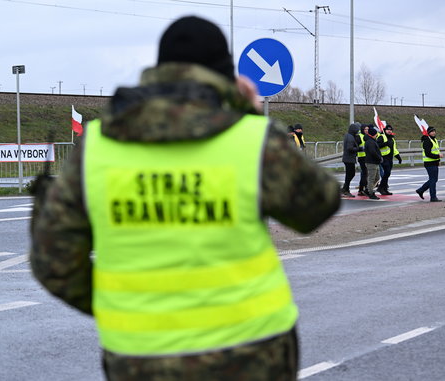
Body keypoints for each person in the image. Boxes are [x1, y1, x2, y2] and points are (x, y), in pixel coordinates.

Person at [29, 16, 341, 381]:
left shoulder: (95, 148)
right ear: (224, 76)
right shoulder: (250, 139)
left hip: (139, 360)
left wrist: (122, 309)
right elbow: (317, 205)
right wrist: (251, 116)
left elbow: (53, 261)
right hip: (252, 354)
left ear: (159, 72)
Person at [415, 126, 444, 202]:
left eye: (434, 131)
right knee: (433, 179)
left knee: (434, 179)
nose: (433, 132)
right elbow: (428, 154)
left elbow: (436, 151)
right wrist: (438, 156)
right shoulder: (427, 141)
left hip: (434, 162)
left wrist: (438, 160)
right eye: (432, 131)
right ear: (428, 133)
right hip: (429, 163)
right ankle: (433, 197)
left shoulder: (434, 140)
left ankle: (421, 190)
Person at [376, 125, 402, 195]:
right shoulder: (382, 137)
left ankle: (384, 189)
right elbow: (377, 145)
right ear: (385, 130)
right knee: (387, 173)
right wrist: (385, 144)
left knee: (387, 174)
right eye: (388, 130)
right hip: (383, 158)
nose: (389, 131)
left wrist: (398, 157)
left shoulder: (392, 138)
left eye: (391, 130)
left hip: (390, 158)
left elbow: (394, 149)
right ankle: (381, 188)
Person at [341, 122, 361, 197]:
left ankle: (345, 188)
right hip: (349, 158)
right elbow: (350, 148)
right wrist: (358, 149)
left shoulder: (348, 135)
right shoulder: (350, 137)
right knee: (351, 174)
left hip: (348, 158)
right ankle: (346, 189)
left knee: (349, 174)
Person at [364, 126, 382, 200]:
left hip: (374, 162)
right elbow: (373, 152)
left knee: (377, 177)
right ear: (373, 134)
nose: (377, 135)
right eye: (376, 134)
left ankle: (368, 190)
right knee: (372, 178)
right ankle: (370, 193)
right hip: (371, 162)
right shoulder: (370, 142)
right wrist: (379, 158)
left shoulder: (371, 140)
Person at [356, 124, 369, 196]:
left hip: (368, 157)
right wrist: (361, 149)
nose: (367, 130)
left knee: (366, 174)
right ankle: (361, 189)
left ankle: (363, 189)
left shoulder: (368, 136)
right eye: (365, 129)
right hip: (362, 157)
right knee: (365, 173)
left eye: (367, 129)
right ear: (362, 129)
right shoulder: (359, 136)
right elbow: (356, 147)